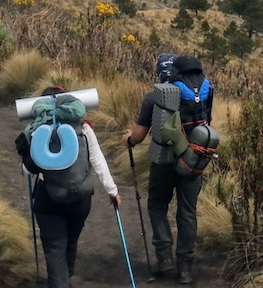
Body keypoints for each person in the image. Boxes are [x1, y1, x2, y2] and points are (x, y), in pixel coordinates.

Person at [123, 55, 214, 285]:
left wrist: (129, 140)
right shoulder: (204, 91)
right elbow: (207, 122)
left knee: (157, 205)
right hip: (193, 160)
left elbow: (139, 136)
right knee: (187, 212)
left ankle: (164, 259)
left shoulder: (154, 97)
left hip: (164, 161)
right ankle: (185, 268)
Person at [17, 86, 121, 288]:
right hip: (80, 199)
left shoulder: (37, 131)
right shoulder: (84, 128)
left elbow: (28, 171)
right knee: (71, 240)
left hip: (48, 199)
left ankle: (60, 281)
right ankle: (66, 276)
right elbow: (98, 161)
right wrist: (112, 191)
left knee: (55, 246)